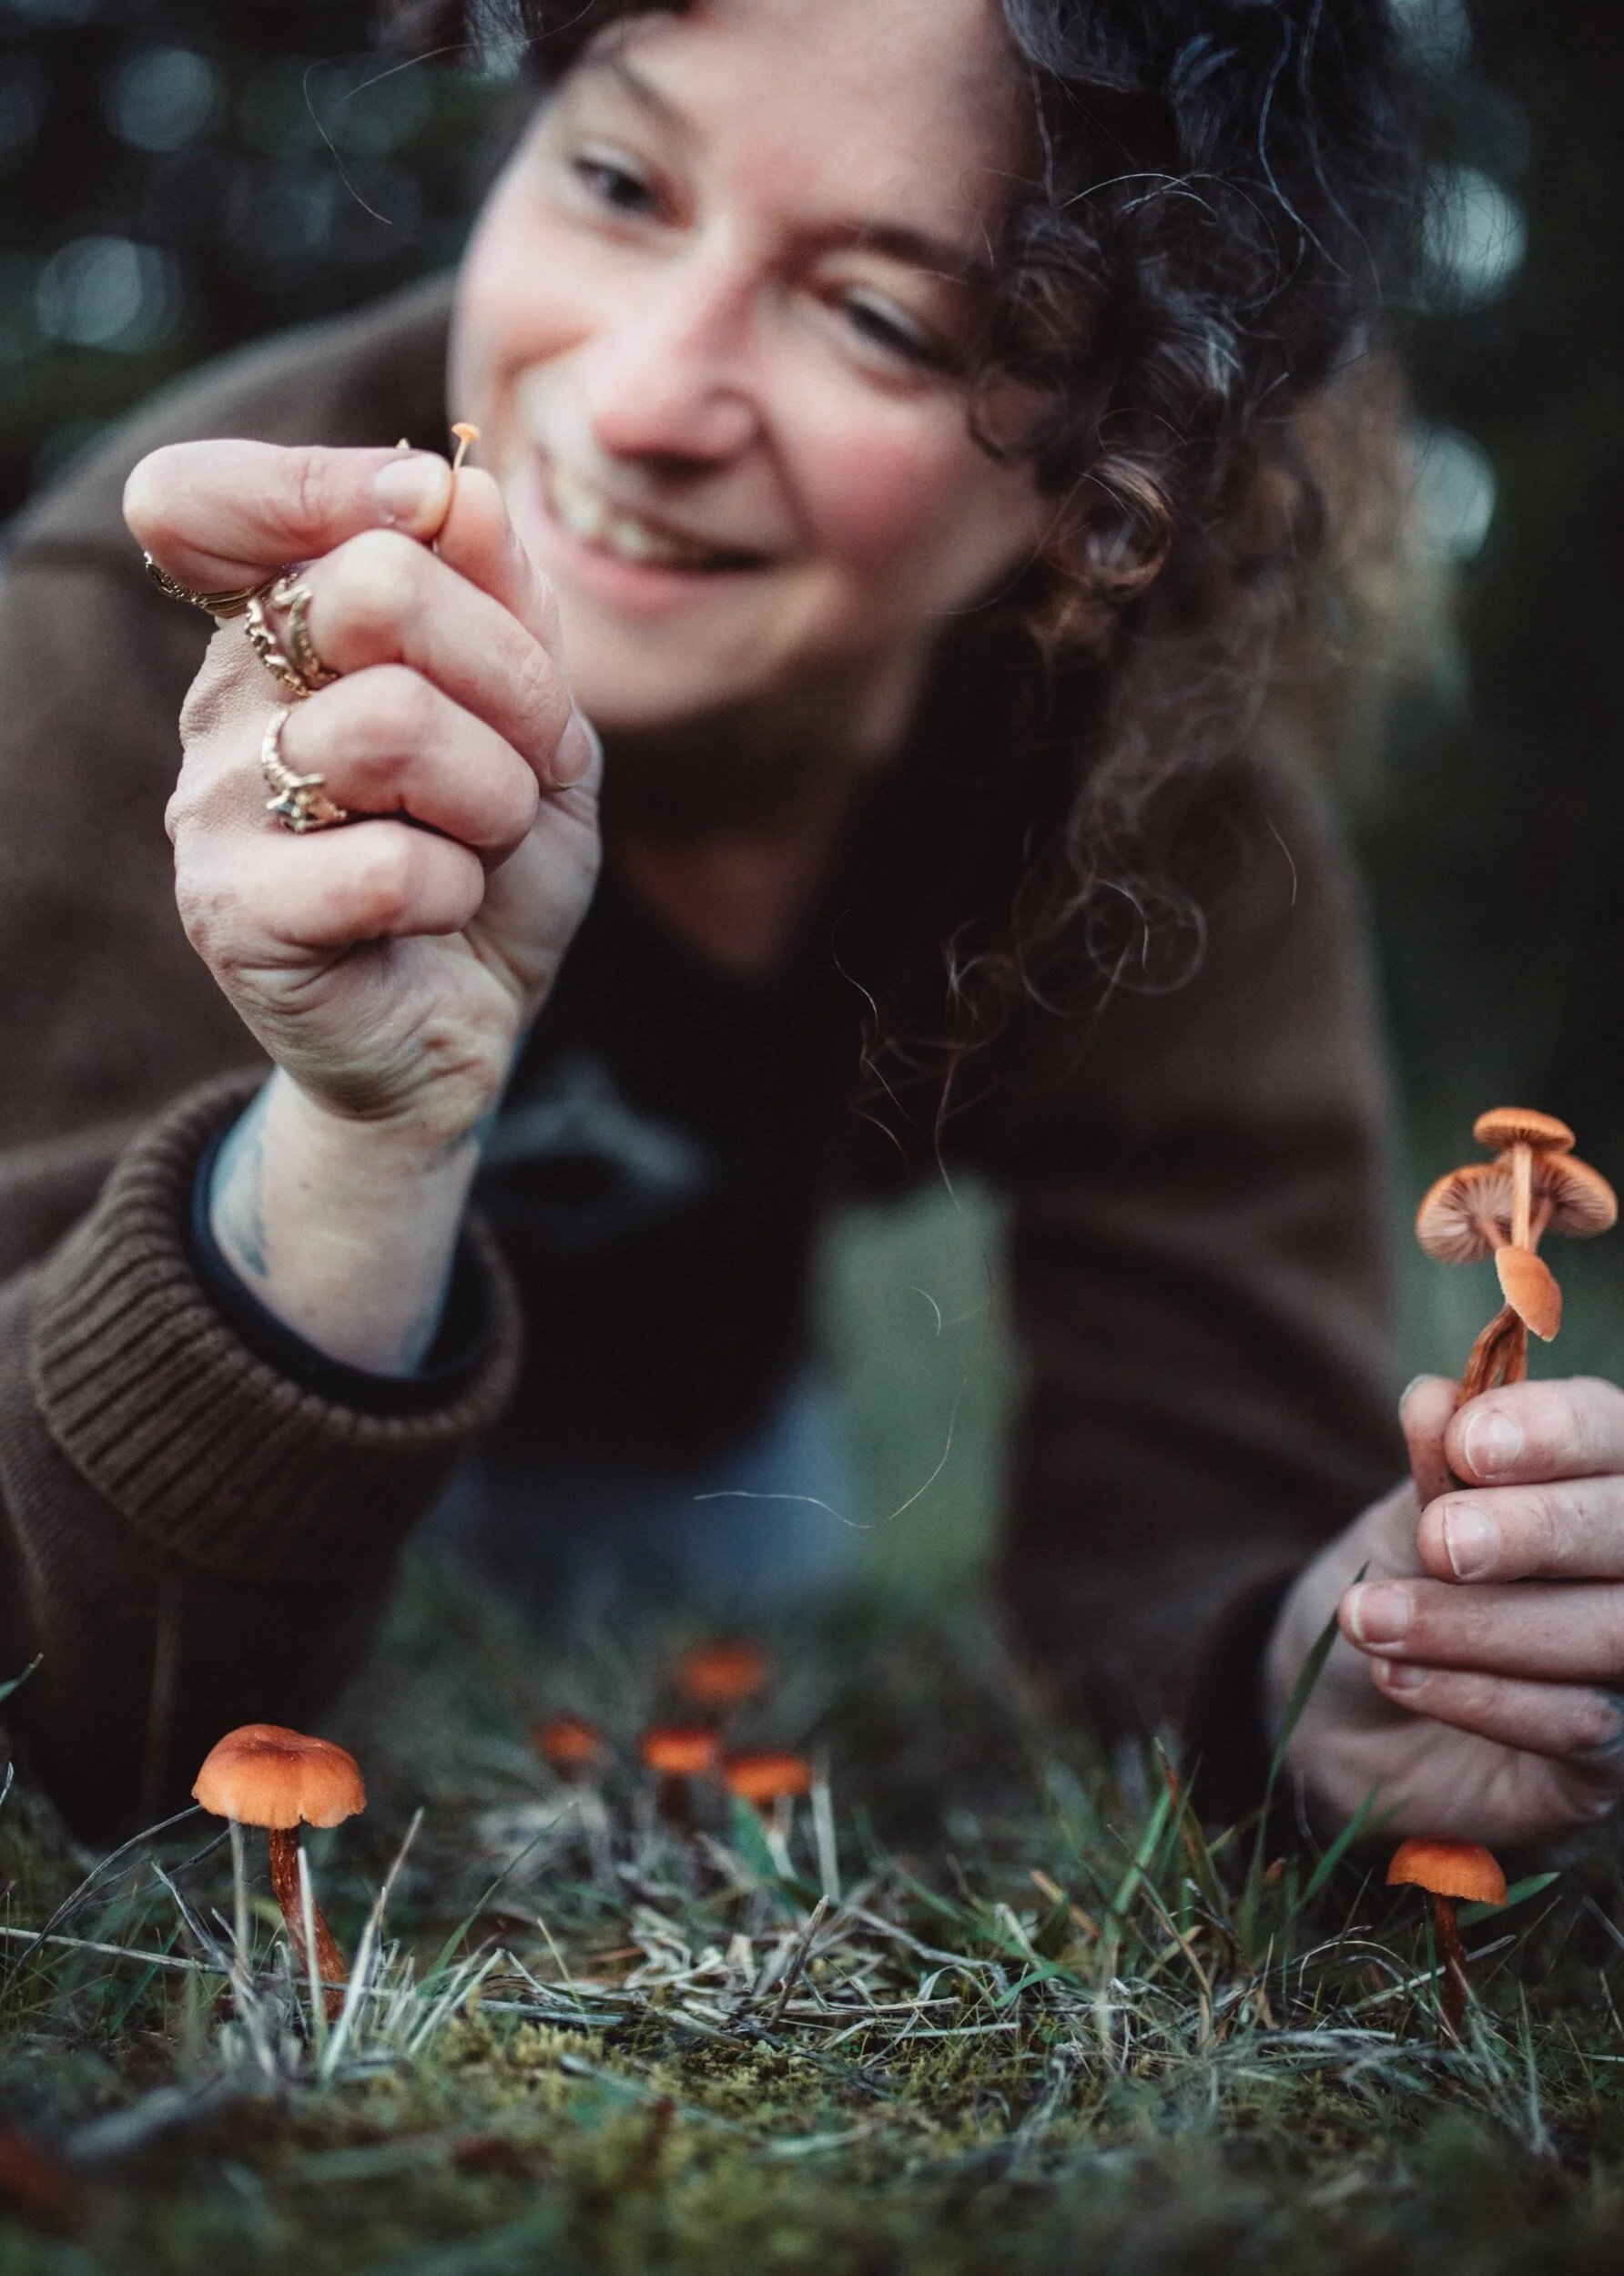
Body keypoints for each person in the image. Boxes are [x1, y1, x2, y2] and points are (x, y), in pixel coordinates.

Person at [1, 0, 1621, 1853]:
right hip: (259, 1336)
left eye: (878, 317)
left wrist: (1328, 1671)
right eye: (617, 178)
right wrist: (360, 1139)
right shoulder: (166, 637)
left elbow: (1212, 1509)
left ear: (1118, 468)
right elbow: (65, 1691)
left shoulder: (1156, 794)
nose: (630, 400)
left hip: (701, 1456)